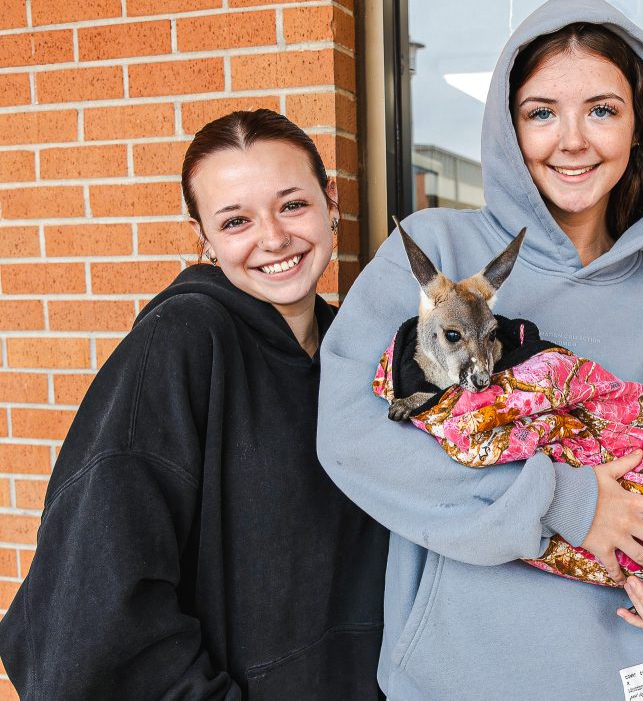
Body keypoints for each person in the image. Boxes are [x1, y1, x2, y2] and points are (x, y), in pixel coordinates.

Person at [317, 0, 643, 701]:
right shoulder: (437, 253)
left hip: (629, 673)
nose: (572, 140)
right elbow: (353, 437)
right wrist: (562, 501)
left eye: (602, 110)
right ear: (510, 131)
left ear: (640, 126)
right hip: (462, 676)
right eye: (542, 113)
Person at [0, 110, 389, 699]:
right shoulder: (182, 342)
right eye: (236, 220)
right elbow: (90, 607)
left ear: (330, 200)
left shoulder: (357, 355)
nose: (275, 238)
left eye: (292, 204)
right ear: (202, 237)